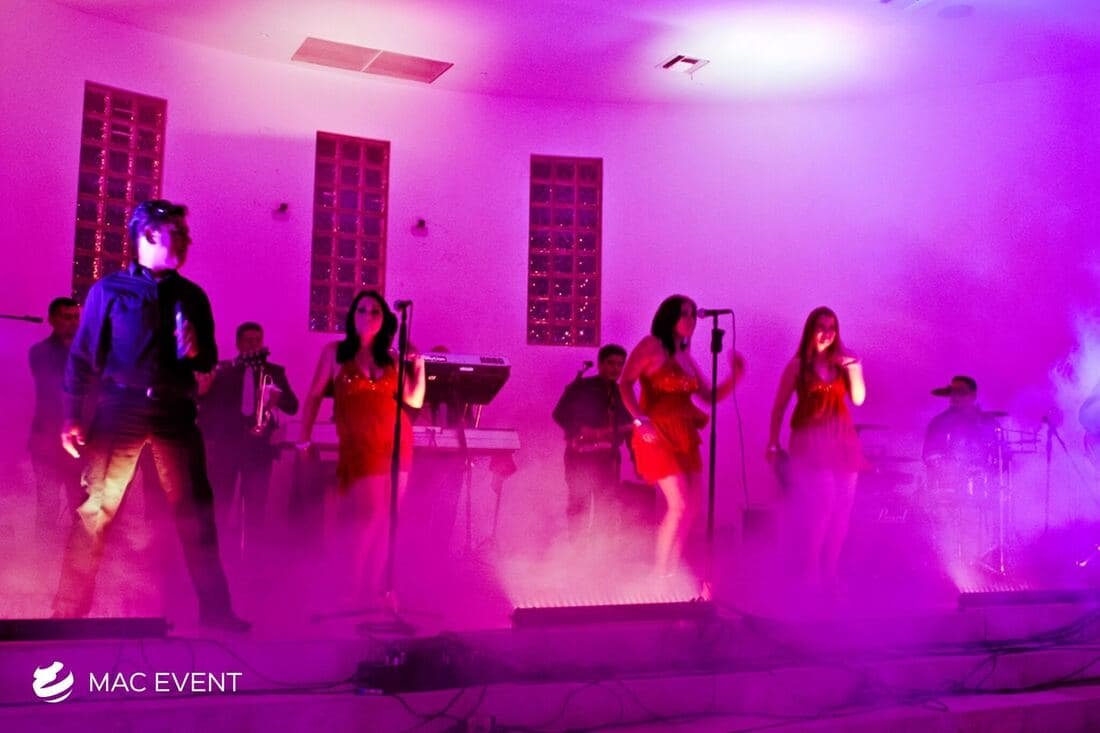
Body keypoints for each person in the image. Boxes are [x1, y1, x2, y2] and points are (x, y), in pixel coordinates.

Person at [54, 199, 249, 632]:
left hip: (174, 412)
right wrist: (71, 416)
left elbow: (208, 360)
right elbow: (82, 358)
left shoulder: (193, 296)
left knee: (195, 512)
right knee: (96, 510)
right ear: (148, 235)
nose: (188, 241)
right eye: (179, 233)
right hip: (120, 409)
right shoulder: (109, 290)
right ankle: (67, 613)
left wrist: (196, 352)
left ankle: (216, 613)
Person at [299, 291, 426, 607]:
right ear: (352, 315)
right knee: (369, 516)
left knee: (387, 520)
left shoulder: (391, 359)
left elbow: (414, 399)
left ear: (383, 320)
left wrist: (420, 365)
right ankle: (352, 589)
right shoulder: (334, 353)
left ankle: (375, 590)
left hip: (396, 440)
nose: (367, 316)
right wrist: (304, 437)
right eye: (361, 310)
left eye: (374, 311)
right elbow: (313, 396)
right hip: (359, 442)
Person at [620, 295, 744, 579]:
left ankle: (671, 572)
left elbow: (708, 397)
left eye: (691, 314)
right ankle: (659, 575)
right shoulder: (652, 345)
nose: (690, 320)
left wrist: (735, 375)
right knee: (680, 505)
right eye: (683, 313)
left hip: (684, 433)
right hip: (656, 432)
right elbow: (625, 382)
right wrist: (639, 419)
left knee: (693, 508)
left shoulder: (685, 355)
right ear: (669, 317)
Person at [767, 306, 865, 592]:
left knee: (843, 509)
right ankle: (810, 571)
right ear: (810, 330)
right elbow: (779, 407)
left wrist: (855, 366)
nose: (827, 333)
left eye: (832, 327)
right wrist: (773, 441)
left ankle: (830, 573)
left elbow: (858, 399)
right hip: (811, 440)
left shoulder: (841, 364)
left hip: (842, 440)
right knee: (824, 504)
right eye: (821, 327)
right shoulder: (797, 365)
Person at [197, 322, 298, 557]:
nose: (253, 344)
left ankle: (253, 555)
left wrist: (277, 398)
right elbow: (205, 405)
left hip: (259, 449)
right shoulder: (223, 371)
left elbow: (293, 406)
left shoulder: (274, 372)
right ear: (238, 343)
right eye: (248, 340)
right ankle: (219, 552)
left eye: (257, 340)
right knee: (221, 501)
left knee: (255, 503)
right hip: (226, 448)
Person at [552, 344, 633, 537]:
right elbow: (559, 413)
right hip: (581, 456)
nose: (616, 368)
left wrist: (637, 458)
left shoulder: (621, 393)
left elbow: (629, 425)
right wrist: (580, 430)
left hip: (608, 458)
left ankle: (600, 549)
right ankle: (576, 548)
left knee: (606, 506)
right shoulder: (582, 387)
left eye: (620, 364)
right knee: (579, 505)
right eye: (611, 363)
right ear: (600, 364)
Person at [923, 375, 1000, 563]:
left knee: (983, 519)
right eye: (953, 393)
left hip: (981, 485)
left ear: (973, 396)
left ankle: (982, 557)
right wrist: (945, 469)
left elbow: (998, 453)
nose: (955, 397)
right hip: (947, 485)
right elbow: (929, 454)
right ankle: (952, 560)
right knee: (949, 525)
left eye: (961, 393)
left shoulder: (985, 422)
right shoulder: (939, 422)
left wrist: (988, 467)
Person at [27, 297, 84, 535]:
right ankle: (44, 551)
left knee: (80, 505)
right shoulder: (40, 352)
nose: (73, 322)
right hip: (47, 440)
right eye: (66, 317)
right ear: (52, 319)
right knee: (48, 505)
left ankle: (75, 554)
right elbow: (57, 383)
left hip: (77, 442)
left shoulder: (86, 353)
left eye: (76, 317)